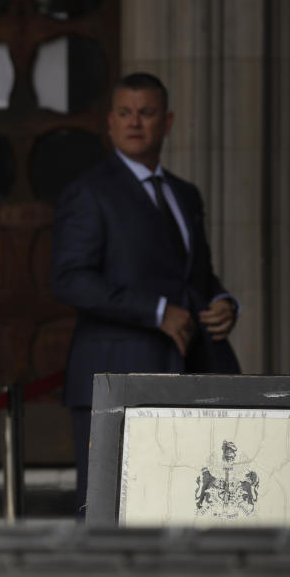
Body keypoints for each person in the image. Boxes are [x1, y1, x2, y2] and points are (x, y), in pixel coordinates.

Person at [52, 72, 240, 517]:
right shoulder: (89, 192)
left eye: (147, 112)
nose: (135, 122)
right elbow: (70, 278)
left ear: (167, 121)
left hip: (191, 369)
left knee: (183, 508)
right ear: (110, 123)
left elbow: (197, 276)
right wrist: (157, 312)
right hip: (116, 375)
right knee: (109, 511)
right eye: (125, 113)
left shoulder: (185, 194)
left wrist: (224, 303)